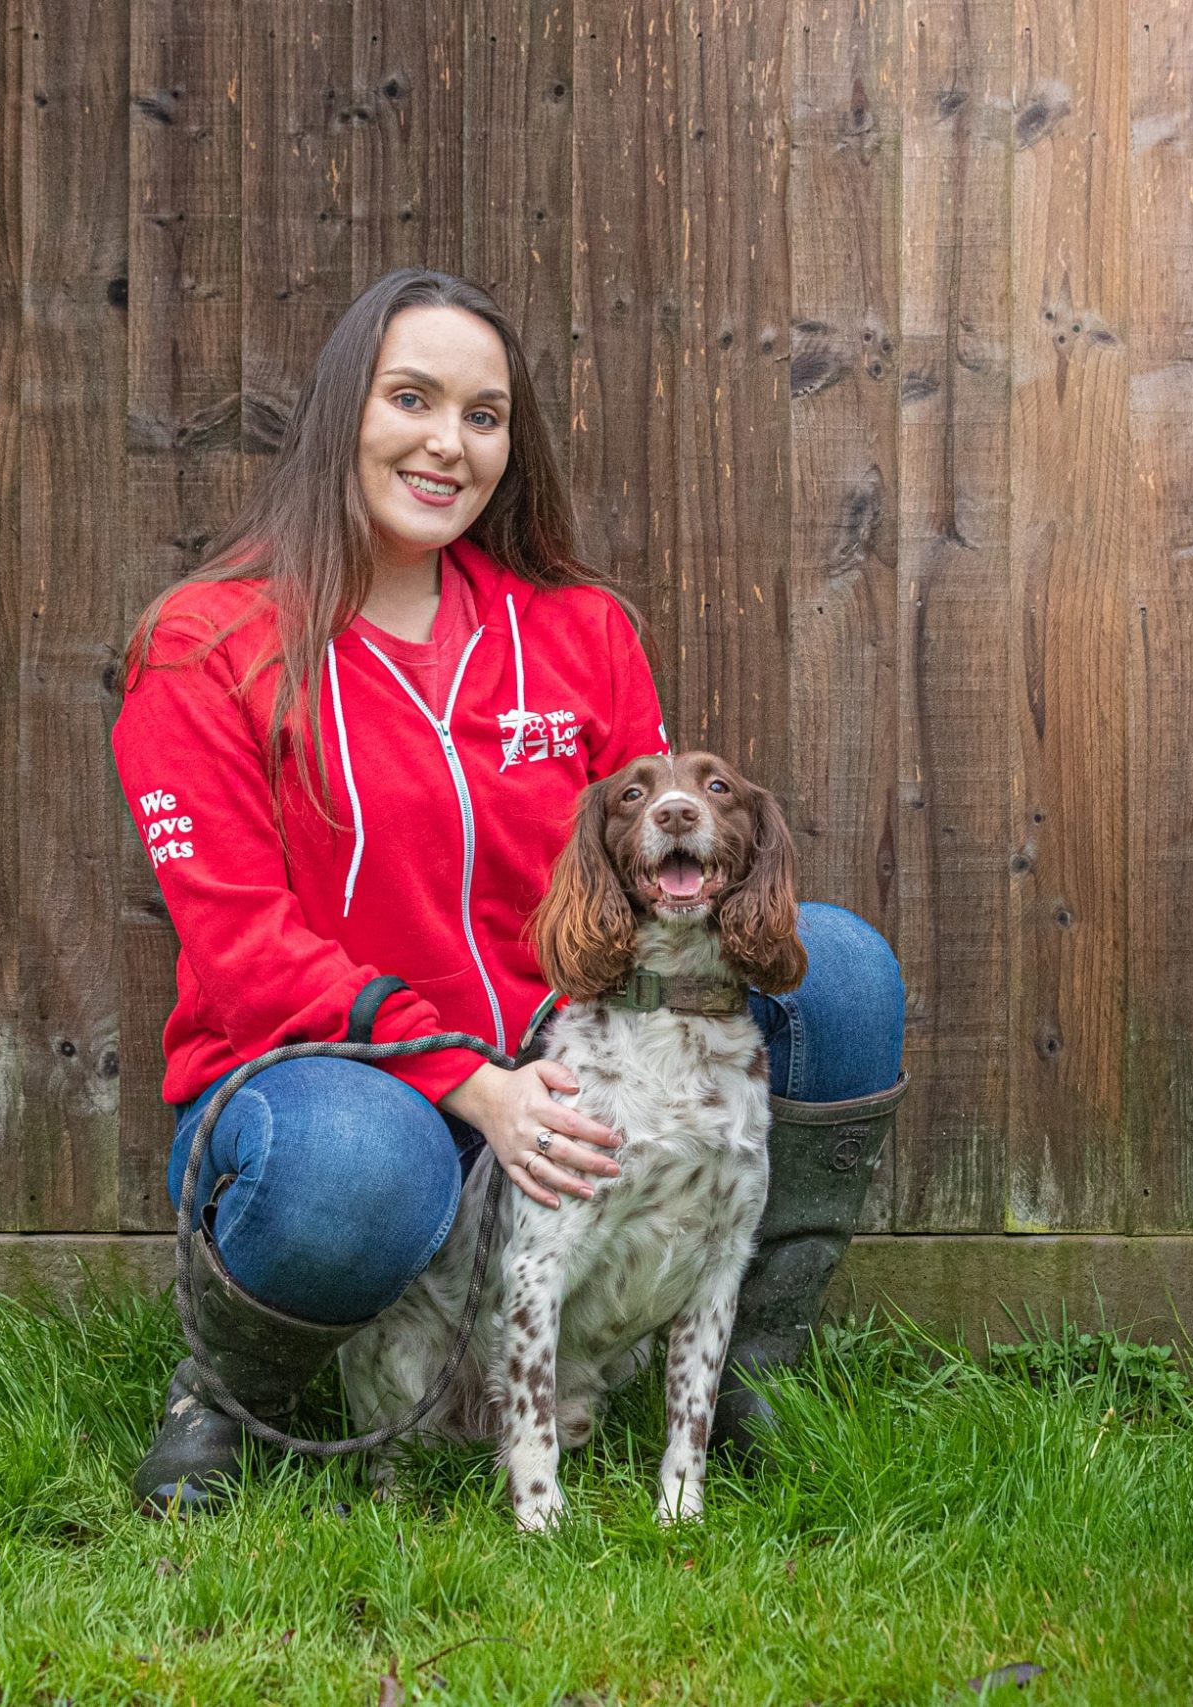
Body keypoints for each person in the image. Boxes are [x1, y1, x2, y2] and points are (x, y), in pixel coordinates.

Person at [111, 267, 907, 1515]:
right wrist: (473, 1089)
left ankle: (742, 1381)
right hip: (336, 1080)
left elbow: (648, 885)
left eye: (483, 415)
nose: (447, 443)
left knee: (844, 975)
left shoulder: (578, 629)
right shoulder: (206, 645)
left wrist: (563, 1064)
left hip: (562, 1050)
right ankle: (227, 1400)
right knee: (355, 1170)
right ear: (342, 415)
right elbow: (240, 946)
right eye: (410, 399)